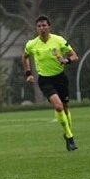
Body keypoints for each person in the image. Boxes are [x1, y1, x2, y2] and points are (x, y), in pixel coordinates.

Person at [22, 15, 79, 151]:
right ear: (37, 28)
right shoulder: (32, 44)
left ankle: (67, 133)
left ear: (49, 27)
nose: (42, 28)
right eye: (39, 26)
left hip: (60, 78)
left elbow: (74, 56)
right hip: (45, 80)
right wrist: (29, 74)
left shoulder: (58, 40)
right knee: (58, 107)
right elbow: (24, 57)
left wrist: (66, 61)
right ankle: (70, 138)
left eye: (44, 25)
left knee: (65, 108)